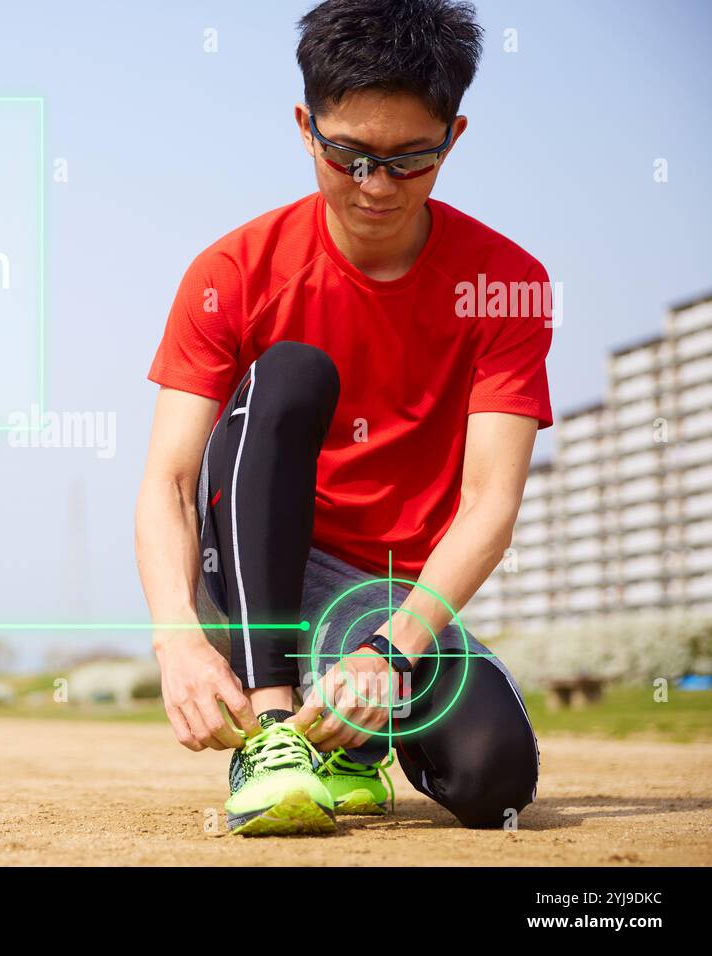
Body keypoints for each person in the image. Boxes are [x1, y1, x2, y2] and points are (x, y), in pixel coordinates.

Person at [134, 0, 548, 835]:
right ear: (305, 126)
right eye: (349, 155)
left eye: (410, 159)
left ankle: (348, 753)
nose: (376, 187)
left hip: (387, 601)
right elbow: (171, 484)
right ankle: (277, 735)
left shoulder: (507, 284)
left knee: (493, 781)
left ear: (454, 137)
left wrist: (391, 651)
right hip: (249, 568)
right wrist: (177, 640)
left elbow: (489, 503)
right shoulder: (233, 271)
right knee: (290, 372)